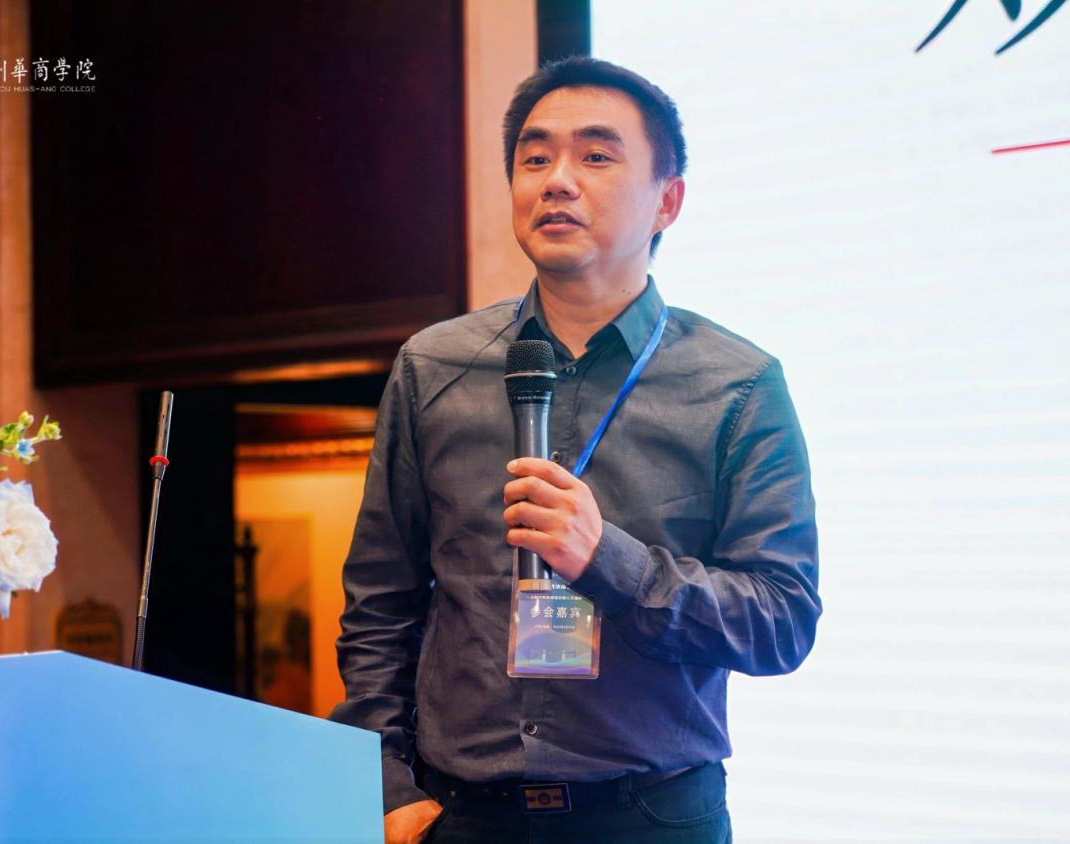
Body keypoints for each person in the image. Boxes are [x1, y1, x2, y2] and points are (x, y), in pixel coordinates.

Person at [330, 57, 821, 844]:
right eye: (534, 159)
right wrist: (386, 784)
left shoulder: (736, 385)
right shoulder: (434, 366)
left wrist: (609, 561)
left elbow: (780, 622)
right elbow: (379, 604)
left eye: (595, 156)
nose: (556, 180)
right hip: (461, 818)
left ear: (667, 201)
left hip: (651, 818)